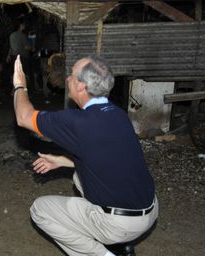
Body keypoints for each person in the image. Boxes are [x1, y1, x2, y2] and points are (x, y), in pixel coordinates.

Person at [12, 55, 158, 256]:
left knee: (40, 210)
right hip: (149, 210)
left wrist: (20, 85)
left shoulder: (77, 122)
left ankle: (106, 254)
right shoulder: (117, 113)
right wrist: (62, 161)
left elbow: (23, 117)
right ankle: (119, 244)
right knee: (78, 178)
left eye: (71, 76)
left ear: (81, 87)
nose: (67, 79)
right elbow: (105, 158)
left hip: (120, 223)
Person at [6, 18, 32, 89]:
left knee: (14, 73)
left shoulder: (11, 35)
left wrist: (8, 56)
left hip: (13, 56)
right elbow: (27, 47)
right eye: (23, 25)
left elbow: (11, 47)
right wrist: (31, 46)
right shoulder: (22, 35)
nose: (24, 26)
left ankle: (13, 90)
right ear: (20, 25)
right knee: (24, 74)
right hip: (23, 56)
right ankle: (24, 90)